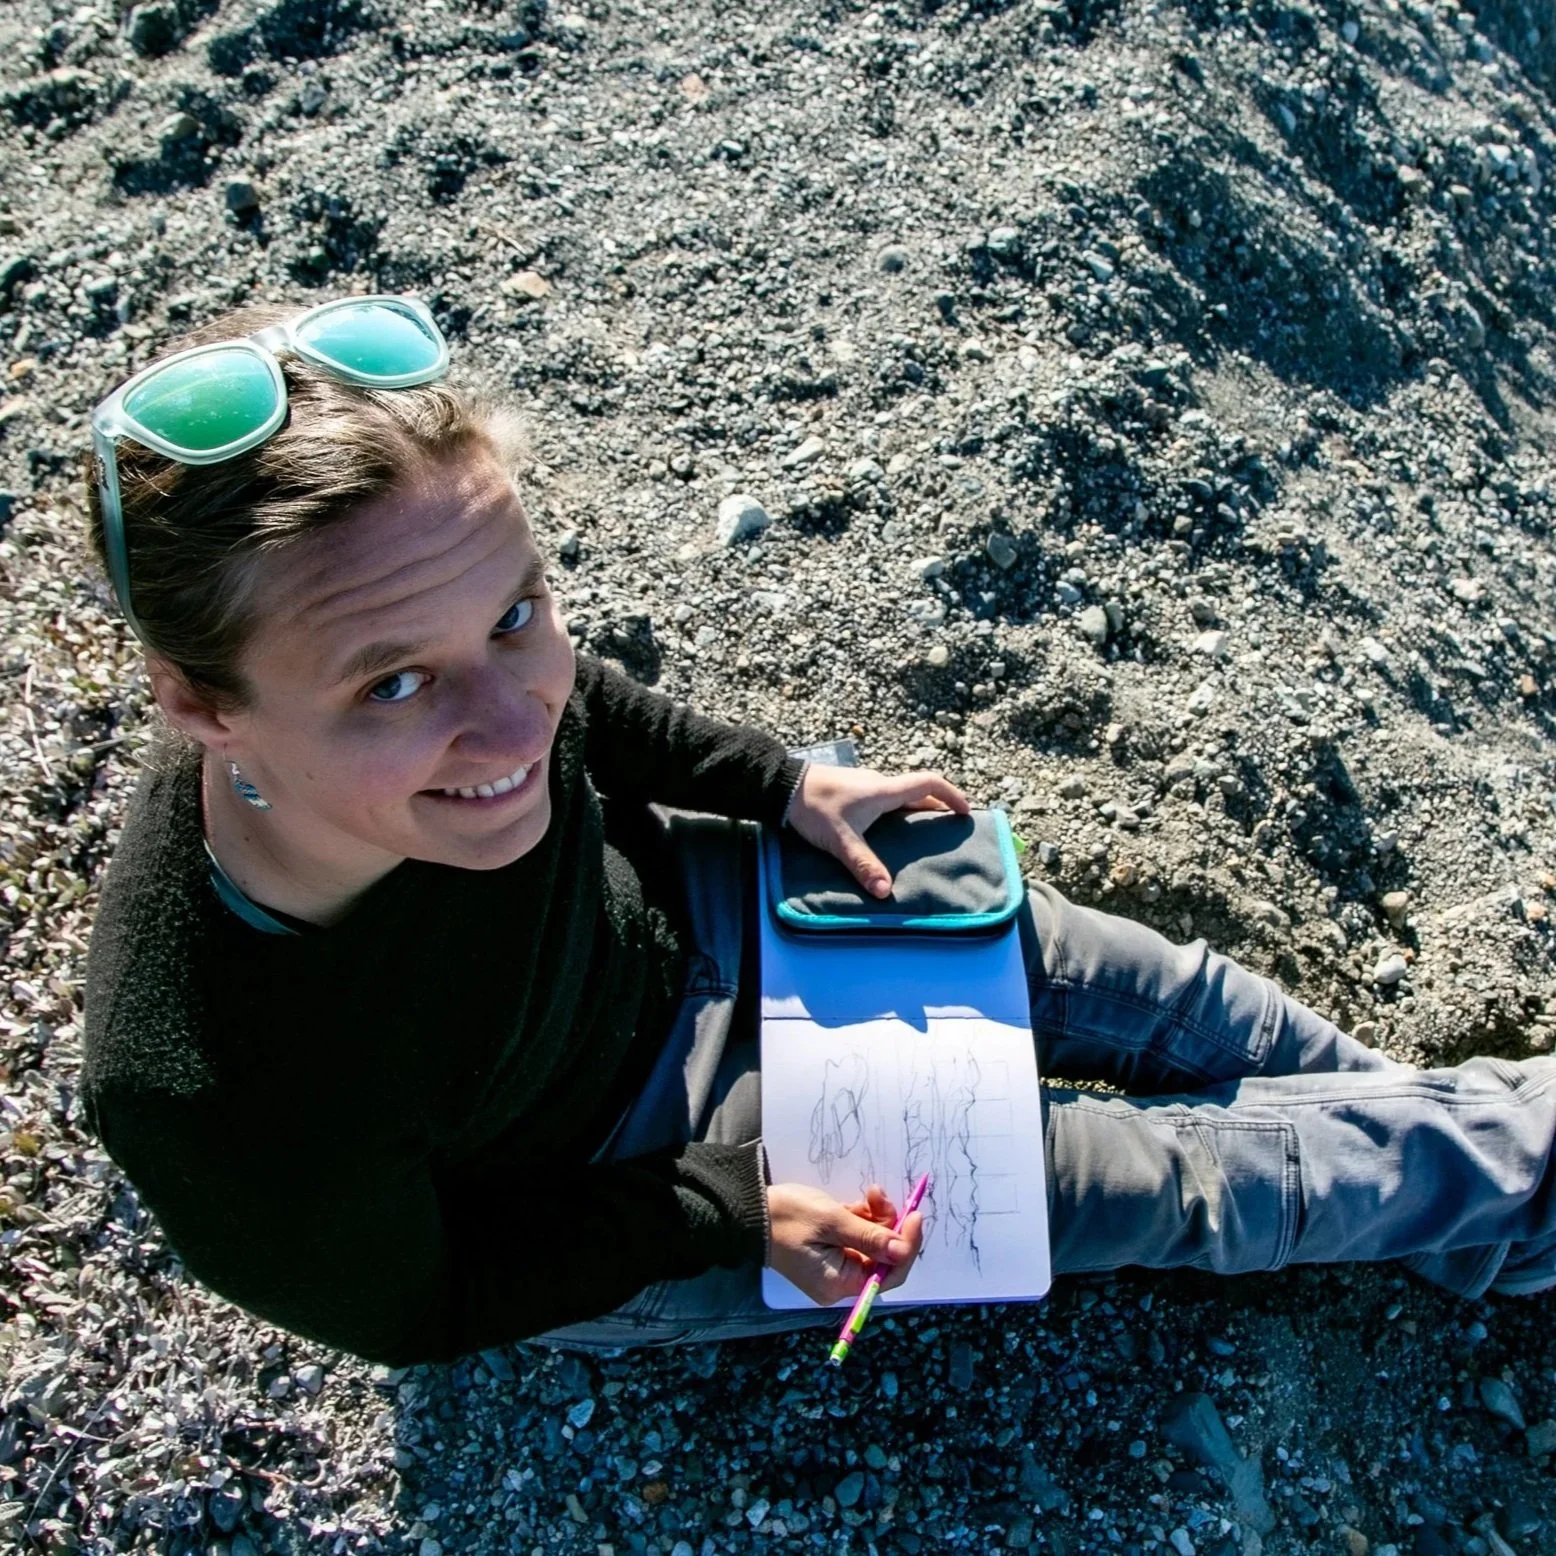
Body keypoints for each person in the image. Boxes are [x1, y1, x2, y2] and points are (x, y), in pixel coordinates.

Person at [80, 296, 1556, 1368]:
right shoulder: (211, 1087)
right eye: (394, 683)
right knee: (1154, 1177)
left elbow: (571, 699)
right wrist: (728, 1204)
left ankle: (1499, 1220)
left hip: (694, 910)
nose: (520, 729)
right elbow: (426, 1306)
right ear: (201, 706)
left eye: (515, 608)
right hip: (631, 1170)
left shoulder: (469, 711)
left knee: (1168, 998)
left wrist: (778, 785)